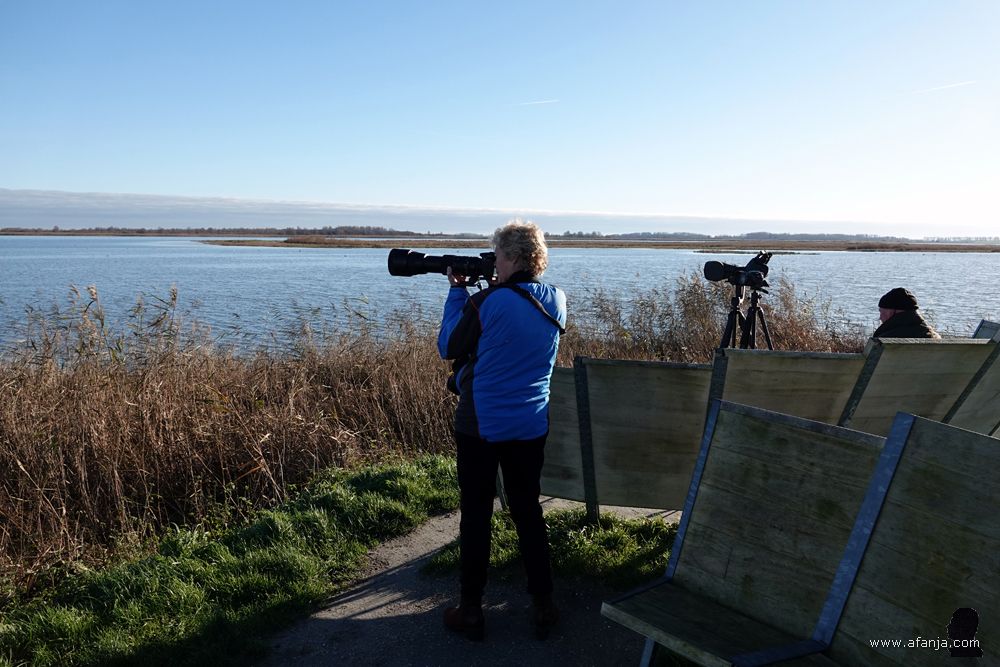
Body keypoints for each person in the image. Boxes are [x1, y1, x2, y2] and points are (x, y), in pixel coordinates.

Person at [437, 219, 567, 642]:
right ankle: (543, 603)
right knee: (527, 510)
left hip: (481, 424)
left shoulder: (487, 302)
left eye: (497, 255)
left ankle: (471, 610)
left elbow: (448, 347)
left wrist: (459, 290)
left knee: (476, 515)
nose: (493, 261)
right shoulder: (558, 300)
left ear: (510, 257)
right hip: (530, 422)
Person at [873, 287, 940, 339]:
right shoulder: (933, 337)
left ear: (894, 311)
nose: (880, 317)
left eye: (883, 312)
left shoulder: (884, 339)